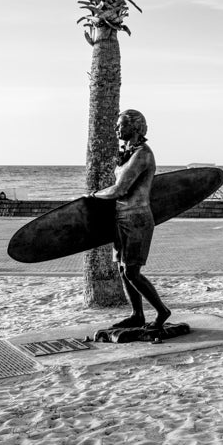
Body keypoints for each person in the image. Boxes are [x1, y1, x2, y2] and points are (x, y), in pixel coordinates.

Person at [85, 109, 172, 330]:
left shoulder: (143, 153)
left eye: (120, 125)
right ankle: (137, 315)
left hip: (137, 218)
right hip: (121, 217)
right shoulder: (129, 152)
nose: (116, 129)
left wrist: (93, 195)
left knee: (132, 271)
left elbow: (120, 189)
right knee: (123, 270)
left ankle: (162, 311)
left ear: (134, 127)